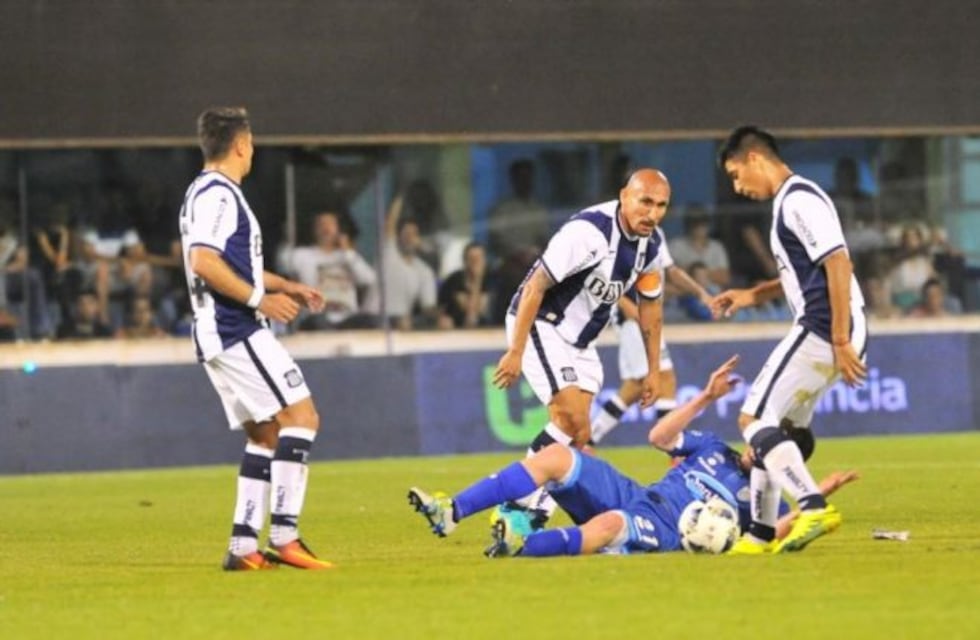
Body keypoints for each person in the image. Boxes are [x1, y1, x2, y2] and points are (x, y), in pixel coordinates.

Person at [408, 356, 858, 558]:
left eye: (767, 443)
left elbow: (771, 532)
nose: (754, 443)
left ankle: (518, 547)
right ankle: (453, 510)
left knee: (604, 529)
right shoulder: (714, 448)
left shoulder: (762, 499)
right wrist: (703, 396)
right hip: (637, 495)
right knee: (555, 456)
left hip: (664, 531)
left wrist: (810, 500)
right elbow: (660, 436)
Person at [179, 106, 333, 571]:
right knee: (301, 417)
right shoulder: (220, 195)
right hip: (235, 327)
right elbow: (203, 261)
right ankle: (286, 536)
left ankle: (245, 546)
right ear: (242, 145)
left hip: (215, 331)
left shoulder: (201, 193)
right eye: (252, 141)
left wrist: (285, 286)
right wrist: (258, 301)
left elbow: (229, 263)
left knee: (264, 434)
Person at [711, 125, 868, 554]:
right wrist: (752, 295)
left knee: (751, 420)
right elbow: (802, 272)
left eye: (736, 174)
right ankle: (761, 535)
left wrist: (838, 337)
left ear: (754, 159)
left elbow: (838, 262)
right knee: (779, 429)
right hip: (833, 325)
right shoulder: (792, 202)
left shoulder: (798, 199)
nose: (737, 186)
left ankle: (813, 506)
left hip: (824, 325)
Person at [492, 168, 672, 523]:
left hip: (581, 342)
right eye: (645, 202)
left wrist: (654, 370)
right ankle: (518, 507)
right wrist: (515, 349)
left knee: (579, 433)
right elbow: (534, 287)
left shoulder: (649, 248)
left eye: (661, 206)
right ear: (624, 196)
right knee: (570, 418)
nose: (652, 213)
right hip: (542, 325)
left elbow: (651, 308)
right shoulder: (587, 233)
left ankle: (528, 510)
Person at [589, 234, 716, 446]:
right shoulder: (619, 233)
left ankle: (589, 439)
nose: (655, 210)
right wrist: (631, 310)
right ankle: (671, 445)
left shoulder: (656, 234)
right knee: (665, 377)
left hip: (646, 317)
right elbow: (604, 276)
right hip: (634, 318)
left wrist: (700, 293)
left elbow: (671, 270)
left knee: (634, 387)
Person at [280, 209, 379, 330]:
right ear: (314, 230)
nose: (326, 228)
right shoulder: (303, 255)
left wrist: (348, 253)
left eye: (330, 224)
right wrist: (287, 234)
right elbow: (282, 262)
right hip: (317, 317)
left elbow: (369, 279)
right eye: (321, 224)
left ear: (339, 230)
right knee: (318, 323)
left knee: (372, 321)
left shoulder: (348, 256)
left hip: (348, 318)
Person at [382, 193, 438, 331]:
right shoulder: (389, 253)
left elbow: (428, 306)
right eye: (406, 234)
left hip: (403, 322)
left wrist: (438, 315)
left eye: (413, 234)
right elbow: (390, 223)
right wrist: (400, 196)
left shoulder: (424, 271)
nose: (409, 238)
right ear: (398, 237)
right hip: (374, 317)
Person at [487, 158, 550, 264]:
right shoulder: (502, 209)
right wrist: (516, 254)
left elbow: (543, 238)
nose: (525, 182)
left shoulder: (538, 209)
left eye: (528, 177)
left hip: (533, 262)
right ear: (514, 179)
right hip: (508, 264)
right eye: (521, 178)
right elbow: (496, 241)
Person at [667, 206, 731, 288]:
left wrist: (705, 273)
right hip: (683, 293)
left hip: (711, 294)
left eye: (703, 223)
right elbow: (667, 274)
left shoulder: (717, 247)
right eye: (695, 224)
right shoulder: (676, 245)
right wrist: (692, 272)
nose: (699, 228)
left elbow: (725, 277)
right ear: (688, 225)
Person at [437, 241, 492, 329]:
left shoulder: (492, 280)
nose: (475, 262)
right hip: (457, 329)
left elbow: (478, 312)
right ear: (465, 260)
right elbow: (470, 313)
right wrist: (476, 280)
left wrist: (478, 279)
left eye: (478, 258)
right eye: (471, 259)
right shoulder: (455, 280)